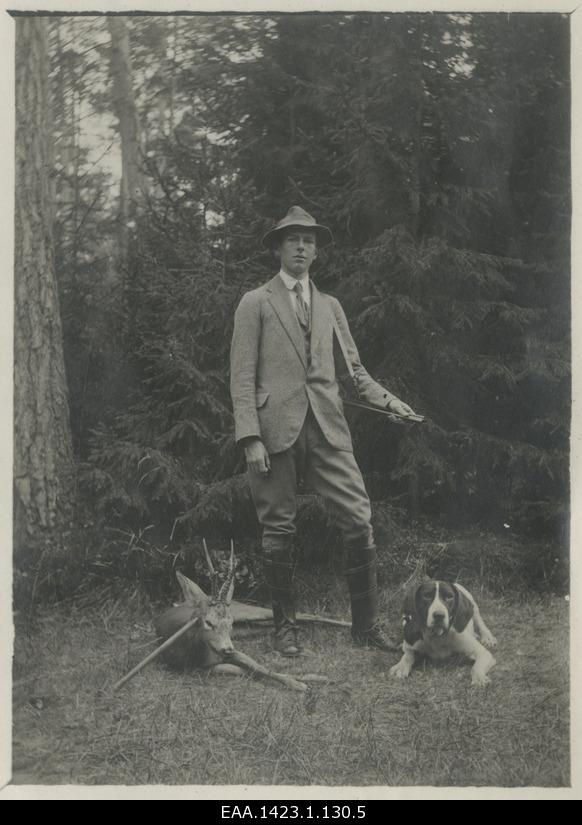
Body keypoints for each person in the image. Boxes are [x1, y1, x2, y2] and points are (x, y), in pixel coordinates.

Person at [230, 206, 417, 656]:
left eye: (309, 240)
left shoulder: (331, 306)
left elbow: (355, 372)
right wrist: (250, 437)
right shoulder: (255, 302)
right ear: (277, 248)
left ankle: (365, 627)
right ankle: (285, 629)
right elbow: (240, 377)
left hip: (328, 430)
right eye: (293, 239)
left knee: (358, 517)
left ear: (316, 251)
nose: (301, 247)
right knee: (278, 527)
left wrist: (392, 403)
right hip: (275, 432)